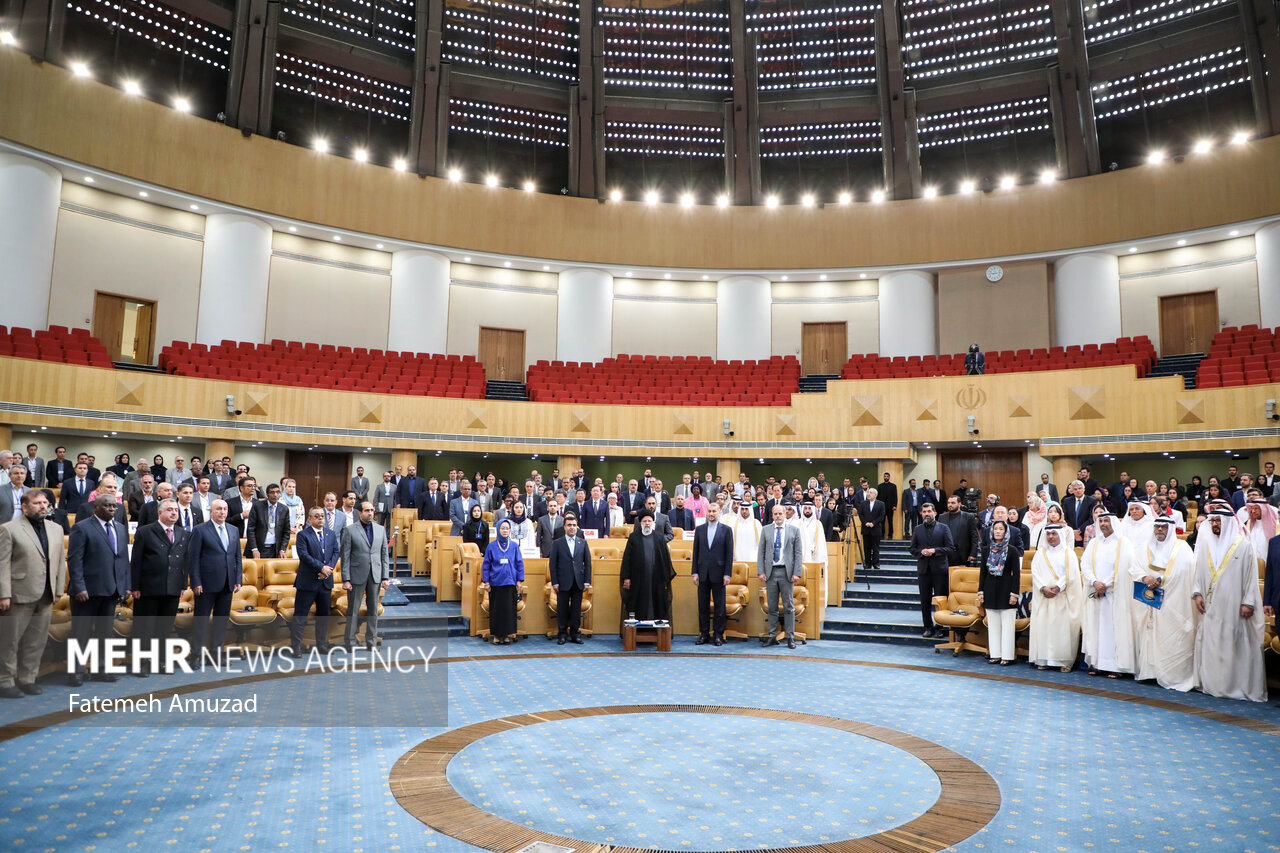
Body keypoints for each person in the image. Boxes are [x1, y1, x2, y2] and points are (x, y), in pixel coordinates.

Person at [1191, 509, 1266, 701]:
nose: (1215, 524)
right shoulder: (1206, 544)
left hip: (1234, 606)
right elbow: (1199, 571)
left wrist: (1248, 602)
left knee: (1232, 643)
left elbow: (1251, 578)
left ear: (1228, 522)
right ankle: (1212, 684)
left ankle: (1232, 685)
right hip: (1210, 604)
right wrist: (1197, 593)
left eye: (1219, 521)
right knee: (1212, 642)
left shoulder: (1243, 546)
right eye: (1213, 521)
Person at [0, 491, 65, 697]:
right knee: (10, 641)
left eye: (45, 503)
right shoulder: (9, 529)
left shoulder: (56, 529)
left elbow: (59, 562)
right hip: (18, 593)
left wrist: (58, 589)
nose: (43, 506)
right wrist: (4, 594)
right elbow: (2, 565)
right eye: (37, 503)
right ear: (25, 506)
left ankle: (28, 679)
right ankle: (5, 681)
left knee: (36, 640)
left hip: (46, 594)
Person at [66, 494, 130, 685]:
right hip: (87, 591)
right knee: (81, 633)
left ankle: (101, 669)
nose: (111, 509)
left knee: (105, 633)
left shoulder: (120, 529)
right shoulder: (82, 527)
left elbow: (123, 559)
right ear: (96, 508)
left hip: (112, 589)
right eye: (107, 505)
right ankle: (76, 671)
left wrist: (125, 585)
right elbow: (75, 560)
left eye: (114, 506)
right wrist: (79, 586)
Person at [1129, 517, 1197, 690]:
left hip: (1173, 600)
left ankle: (1171, 674)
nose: (1159, 530)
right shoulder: (1145, 547)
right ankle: (1150, 672)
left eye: (1163, 527)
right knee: (1149, 635)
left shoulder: (1182, 548)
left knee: (1171, 635)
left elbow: (1185, 569)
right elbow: (1134, 566)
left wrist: (1161, 580)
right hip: (1149, 598)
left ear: (1171, 529)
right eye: (1157, 527)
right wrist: (1145, 578)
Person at [129, 498, 189, 674]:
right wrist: (135, 586)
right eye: (169, 509)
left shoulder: (182, 532)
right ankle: (141, 663)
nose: (173, 513)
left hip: (173, 587)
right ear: (160, 513)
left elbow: (184, 561)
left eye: (176, 510)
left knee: (165, 627)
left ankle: (161, 661)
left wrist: (183, 584)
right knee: (145, 627)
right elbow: (136, 562)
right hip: (148, 587)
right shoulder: (145, 531)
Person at [187, 497, 243, 664]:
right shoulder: (200, 530)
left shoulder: (233, 530)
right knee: (201, 621)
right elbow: (193, 559)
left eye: (225, 509)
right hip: (205, 584)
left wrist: (238, 578)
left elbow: (236, 557)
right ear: (210, 511)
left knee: (221, 621)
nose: (222, 512)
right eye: (218, 509)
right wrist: (196, 582)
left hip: (227, 583)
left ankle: (216, 654)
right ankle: (196, 655)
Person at [1080, 512, 1137, 678]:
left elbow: (1125, 568)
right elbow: (1085, 564)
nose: (1103, 523)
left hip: (1116, 594)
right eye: (1101, 521)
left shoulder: (1123, 543)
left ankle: (1116, 667)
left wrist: (1107, 585)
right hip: (1096, 592)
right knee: (1097, 628)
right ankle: (1098, 664)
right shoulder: (1094, 543)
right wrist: (1094, 582)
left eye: (1106, 520)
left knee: (1114, 630)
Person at [285, 506, 339, 657]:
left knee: (323, 615)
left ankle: (321, 644)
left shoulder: (331, 534)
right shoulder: (303, 535)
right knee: (300, 616)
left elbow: (336, 552)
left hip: (325, 582)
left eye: (322, 516)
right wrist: (322, 568)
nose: (320, 518)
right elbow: (303, 555)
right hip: (308, 582)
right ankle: (296, 647)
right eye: (317, 516)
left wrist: (328, 569)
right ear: (309, 519)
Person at [1028, 525, 1082, 672]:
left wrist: (1058, 587)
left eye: (1054, 534)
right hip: (1044, 596)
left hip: (1061, 597)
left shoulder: (1068, 553)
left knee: (1061, 629)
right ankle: (1043, 659)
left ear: (1060, 535)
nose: (1051, 536)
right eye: (1049, 534)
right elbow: (1035, 573)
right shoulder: (1040, 554)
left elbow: (1071, 574)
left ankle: (1062, 661)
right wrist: (1043, 588)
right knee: (1044, 628)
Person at [341, 500, 390, 650]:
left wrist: (385, 577)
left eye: (372, 510)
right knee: (353, 609)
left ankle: (371, 641)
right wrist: (346, 578)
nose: (370, 513)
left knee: (373, 610)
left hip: (375, 574)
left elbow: (384, 555)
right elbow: (345, 556)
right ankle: (349, 641)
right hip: (356, 575)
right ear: (360, 512)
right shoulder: (350, 530)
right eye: (367, 510)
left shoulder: (381, 529)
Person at [756, 503, 802, 649]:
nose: (777, 516)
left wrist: (797, 572)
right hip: (770, 572)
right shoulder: (765, 530)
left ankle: (790, 637)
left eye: (780, 514)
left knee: (789, 606)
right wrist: (761, 571)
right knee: (772, 607)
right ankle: (772, 636)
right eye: (775, 514)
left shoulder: (794, 530)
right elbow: (761, 552)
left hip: (787, 573)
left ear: (785, 514)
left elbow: (798, 554)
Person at [977, 519, 1023, 665]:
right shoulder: (986, 550)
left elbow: (1016, 574)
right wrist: (980, 591)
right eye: (995, 529)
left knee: (1008, 626)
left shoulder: (1012, 550)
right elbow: (982, 573)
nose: (997, 531)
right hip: (990, 589)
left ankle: (1007, 656)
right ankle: (995, 654)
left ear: (1006, 532)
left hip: (1006, 590)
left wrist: (1014, 594)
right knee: (993, 626)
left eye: (1000, 529)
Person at [620, 510, 675, 623]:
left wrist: (665, 577)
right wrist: (626, 577)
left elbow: (665, 558)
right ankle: (639, 631)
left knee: (657, 603)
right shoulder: (633, 537)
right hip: (637, 579)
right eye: (644, 521)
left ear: (653, 523)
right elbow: (627, 559)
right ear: (640, 523)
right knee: (638, 603)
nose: (647, 523)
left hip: (656, 579)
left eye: (649, 521)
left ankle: (654, 631)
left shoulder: (659, 537)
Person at [909, 503, 955, 639]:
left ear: (935, 513)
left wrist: (935, 550)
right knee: (924, 600)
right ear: (921, 513)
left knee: (940, 600)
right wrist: (921, 552)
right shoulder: (917, 529)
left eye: (929, 511)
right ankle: (927, 627)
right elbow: (912, 549)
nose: (927, 513)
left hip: (940, 570)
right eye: (924, 511)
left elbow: (950, 548)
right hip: (923, 570)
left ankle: (940, 627)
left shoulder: (944, 528)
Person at [691, 503, 733, 646]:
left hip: (719, 573)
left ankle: (718, 635)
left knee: (719, 607)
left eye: (714, 511)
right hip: (702, 573)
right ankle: (703, 634)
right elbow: (695, 552)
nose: (711, 513)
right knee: (702, 606)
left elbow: (729, 554)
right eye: (709, 511)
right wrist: (694, 572)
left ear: (719, 512)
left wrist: (727, 574)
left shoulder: (726, 530)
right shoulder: (700, 529)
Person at [548, 513, 591, 644]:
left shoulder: (582, 543)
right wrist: (554, 582)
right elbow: (552, 564)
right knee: (562, 609)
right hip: (562, 582)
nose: (572, 527)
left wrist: (587, 581)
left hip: (578, 582)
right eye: (569, 525)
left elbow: (588, 563)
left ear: (577, 527)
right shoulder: (557, 543)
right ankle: (562, 634)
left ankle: (574, 634)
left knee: (576, 610)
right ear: (564, 527)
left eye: (574, 525)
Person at [481, 518, 524, 645]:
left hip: (510, 582)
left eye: (507, 528)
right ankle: (496, 635)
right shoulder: (491, 546)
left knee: (509, 610)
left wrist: (519, 580)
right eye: (502, 528)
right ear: (498, 530)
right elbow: (486, 565)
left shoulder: (515, 546)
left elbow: (519, 563)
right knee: (496, 610)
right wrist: (486, 581)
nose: (505, 531)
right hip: (496, 583)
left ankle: (506, 635)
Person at [246, 482, 291, 559]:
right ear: (267, 494)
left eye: (277, 492)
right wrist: (254, 549)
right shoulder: (257, 506)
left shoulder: (284, 509)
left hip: (275, 549)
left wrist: (282, 549)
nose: (275, 495)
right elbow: (251, 529)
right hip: (259, 548)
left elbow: (286, 532)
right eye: (272, 492)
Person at [937, 495, 980, 566]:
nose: (950, 505)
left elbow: (974, 537)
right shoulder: (942, 517)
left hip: (963, 555)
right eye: (948, 503)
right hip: (946, 554)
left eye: (953, 503)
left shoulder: (969, 517)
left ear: (959, 504)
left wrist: (973, 554)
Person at [858, 487, 885, 570]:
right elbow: (861, 514)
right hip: (866, 529)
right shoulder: (863, 503)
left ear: (875, 495)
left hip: (876, 529)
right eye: (868, 492)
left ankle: (876, 563)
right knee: (866, 548)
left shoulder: (881, 504)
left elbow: (881, 515)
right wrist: (865, 522)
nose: (868, 494)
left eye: (871, 492)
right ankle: (868, 564)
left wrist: (873, 523)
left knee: (875, 547)